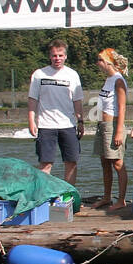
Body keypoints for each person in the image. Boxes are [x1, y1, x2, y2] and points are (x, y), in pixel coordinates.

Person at [27, 39, 84, 184]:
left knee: (71, 162)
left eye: (60, 55)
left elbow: (77, 101)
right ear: (49, 56)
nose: (57, 58)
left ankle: (68, 196)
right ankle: (43, 197)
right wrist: (31, 121)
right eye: (54, 55)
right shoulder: (39, 74)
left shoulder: (72, 75)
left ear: (65, 56)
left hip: (68, 125)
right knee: (46, 163)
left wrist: (81, 121)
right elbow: (32, 99)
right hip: (46, 126)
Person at [92, 48, 129, 210]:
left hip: (113, 125)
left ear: (108, 62)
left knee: (117, 163)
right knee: (104, 162)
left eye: (100, 60)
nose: (97, 63)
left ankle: (121, 200)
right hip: (103, 126)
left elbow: (122, 108)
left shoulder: (118, 80)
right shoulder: (108, 80)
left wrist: (119, 131)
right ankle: (107, 197)